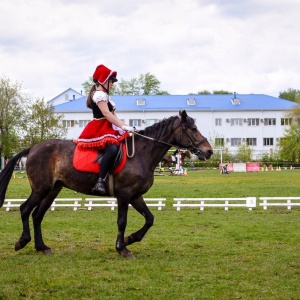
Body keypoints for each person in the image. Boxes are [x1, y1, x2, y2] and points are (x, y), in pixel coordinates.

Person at [76, 64, 134, 195]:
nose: (113, 84)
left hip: (109, 127)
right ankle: (100, 181)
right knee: (112, 148)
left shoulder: (107, 97)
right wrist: (124, 126)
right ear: (103, 81)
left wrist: (126, 127)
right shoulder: (98, 95)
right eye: (111, 81)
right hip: (99, 128)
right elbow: (107, 115)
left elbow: (114, 116)